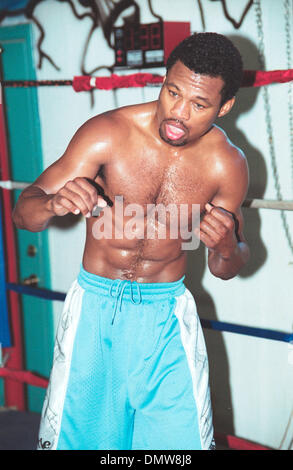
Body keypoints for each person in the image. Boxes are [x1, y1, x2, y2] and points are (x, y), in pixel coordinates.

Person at [13, 32, 249, 451]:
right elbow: (23, 212)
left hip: (166, 317)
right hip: (95, 311)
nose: (178, 113)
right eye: (172, 92)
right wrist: (51, 203)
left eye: (199, 105)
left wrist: (228, 245)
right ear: (163, 80)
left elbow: (226, 268)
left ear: (225, 106)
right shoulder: (108, 133)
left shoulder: (226, 164)